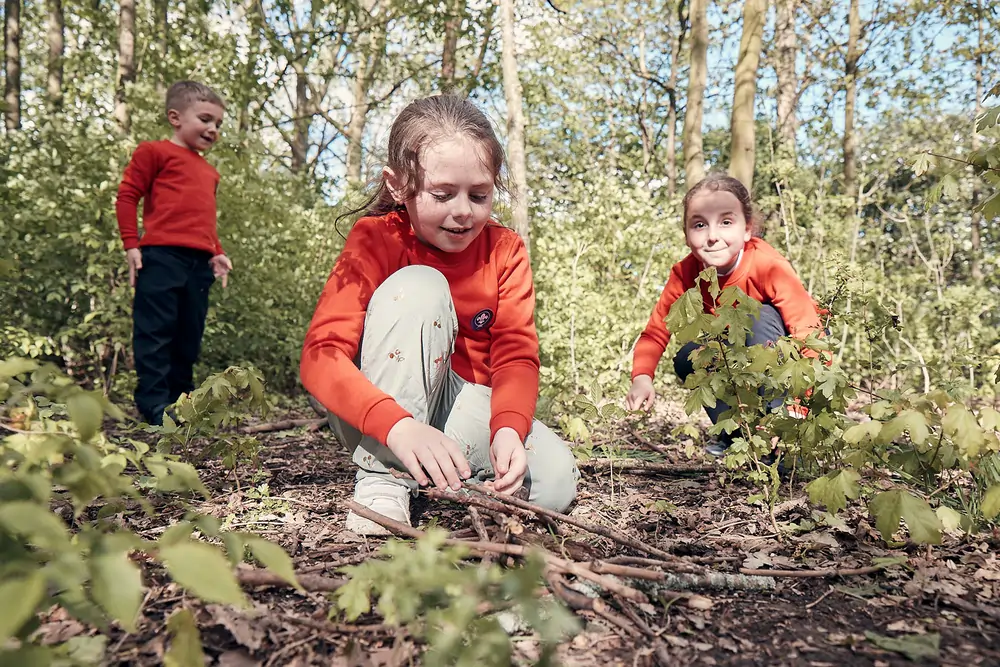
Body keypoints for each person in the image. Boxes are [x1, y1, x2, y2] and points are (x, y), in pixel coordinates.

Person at [301, 95, 578, 536]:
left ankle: (440, 480)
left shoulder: (505, 250)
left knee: (555, 482)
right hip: (378, 406)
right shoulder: (375, 238)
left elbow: (515, 356)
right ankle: (383, 480)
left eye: (479, 194)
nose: (463, 211)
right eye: (443, 194)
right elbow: (321, 356)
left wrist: (507, 430)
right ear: (399, 186)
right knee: (422, 285)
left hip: (459, 400)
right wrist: (399, 426)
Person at [626, 173, 823, 456]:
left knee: (755, 317)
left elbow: (808, 332)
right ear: (686, 234)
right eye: (700, 224)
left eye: (726, 222)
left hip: (784, 354)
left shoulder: (768, 266)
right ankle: (737, 436)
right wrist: (642, 377)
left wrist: (799, 402)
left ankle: (781, 436)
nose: (713, 236)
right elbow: (656, 331)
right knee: (687, 359)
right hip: (732, 353)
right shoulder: (685, 274)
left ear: (748, 229)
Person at [115, 80, 233, 426]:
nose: (213, 129)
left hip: (199, 265)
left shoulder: (210, 172)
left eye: (218, 124)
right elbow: (127, 196)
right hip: (161, 256)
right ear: (175, 117)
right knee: (155, 331)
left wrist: (218, 251)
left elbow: (202, 217)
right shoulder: (153, 152)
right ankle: (154, 403)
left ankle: (183, 404)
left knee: (188, 333)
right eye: (206, 119)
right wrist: (130, 245)